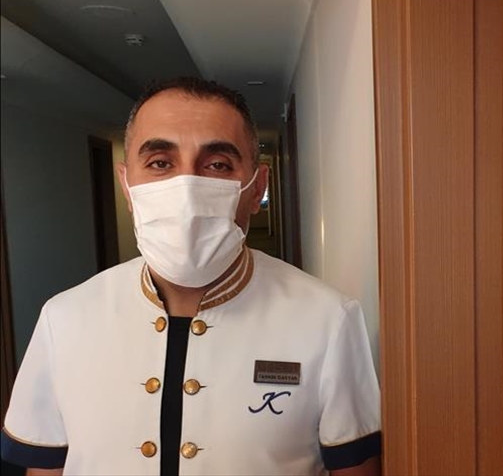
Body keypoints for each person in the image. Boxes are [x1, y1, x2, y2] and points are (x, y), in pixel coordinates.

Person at [0, 77, 381, 475]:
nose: (186, 188)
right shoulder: (65, 319)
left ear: (257, 188)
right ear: (127, 186)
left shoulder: (327, 320)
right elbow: (45, 466)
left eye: (217, 165)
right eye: (160, 163)